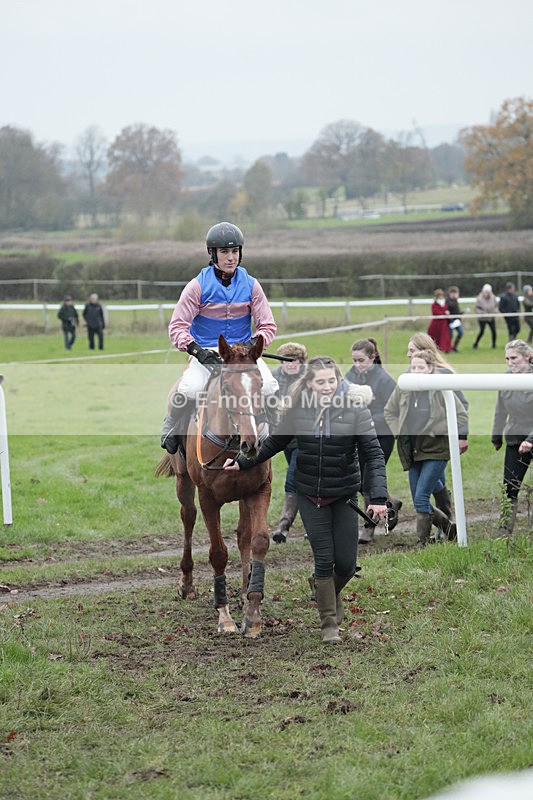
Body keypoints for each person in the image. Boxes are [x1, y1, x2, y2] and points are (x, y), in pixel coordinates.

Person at [223, 356, 388, 643]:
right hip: (310, 495)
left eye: (331, 381)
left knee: (346, 565)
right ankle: (329, 626)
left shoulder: (356, 411)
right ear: (309, 384)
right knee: (324, 560)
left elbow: (373, 455)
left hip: (344, 495)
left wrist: (378, 498)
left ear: (339, 381)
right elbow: (274, 443)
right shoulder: (298, 412)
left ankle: (322, 588)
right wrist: (242, 462)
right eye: (320, 382)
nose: (327, 387)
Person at [161, 222, 278, 454]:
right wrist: (198, 352)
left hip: (243, 355)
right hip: (207, 352)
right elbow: (177, 327)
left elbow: (267, 325)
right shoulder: (196, 286)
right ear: (212, 253)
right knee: (188, 388)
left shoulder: (252, 285)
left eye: (235, 251)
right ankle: (171, 426)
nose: (231, 257)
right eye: (224, 252)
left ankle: (275, 431)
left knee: (271, 387)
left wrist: (251, 345)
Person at [384, 349, 468, 546]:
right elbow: (389, 411)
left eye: (420, 367)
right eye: (413, 367)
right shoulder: (404, 386)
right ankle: (450, 529)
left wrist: (437, 429)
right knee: (419, 498)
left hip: (436, 450)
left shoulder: (441, 387)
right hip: (412, 451)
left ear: (430, 369)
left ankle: (422, 541)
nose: (416, 371)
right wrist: (399, 432)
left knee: (421, 498)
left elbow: (461, 416)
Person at [406, 332, 469, 539]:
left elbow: (461, 407)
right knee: (436, 484)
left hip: (438, 443)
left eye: (412, 350)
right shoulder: (412, 375)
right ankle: (446, 525)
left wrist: (462, 435)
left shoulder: (444, 375)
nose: (408, 354)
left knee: (431, 485)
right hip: (419, 445)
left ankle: (445, 526)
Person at [344, 337, 402, 542]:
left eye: (361, 360)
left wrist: (365, 417)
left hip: (381, 437)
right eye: (354, 360)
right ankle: (391, 502)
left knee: (369, 482)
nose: (357, 365)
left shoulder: (385, 380)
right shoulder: (350, 376)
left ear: (372, 357)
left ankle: (369, 526)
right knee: (358, 480)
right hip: (357, 437)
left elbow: (392, 411)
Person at [491, 339, 533, 536]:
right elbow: (500, 411)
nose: (510, 362)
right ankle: (504, 533)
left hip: (530, 436)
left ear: (527, 357)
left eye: (514, 358)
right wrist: (496, 436)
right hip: (516, 438)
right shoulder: (505, 378)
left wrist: (531, 440)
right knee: (510, 487)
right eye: (507, 358)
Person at [270, 342, 308, 544]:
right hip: (285, 439)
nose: (291, 364)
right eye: (286, 361)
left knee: (293, 478)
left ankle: (283, 527)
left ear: (301, 362)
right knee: (303, 480)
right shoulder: (272, 379)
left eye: (295, 360)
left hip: (306, 438)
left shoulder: (309, 378)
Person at [473, 283, 499, 349]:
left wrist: (494, 312)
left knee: (493, 331)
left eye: (488, 292)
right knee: (481, 331)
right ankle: (475, 344)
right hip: (482, 318)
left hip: (491, 318)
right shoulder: (479, 298)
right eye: (486, 292)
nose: (487, 293)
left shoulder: (493, 297)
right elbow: (476, 308)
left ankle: (494, 345)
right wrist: (481, 313)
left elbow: (496, 306)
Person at [427, 289, 453, 353]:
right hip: (437, 323)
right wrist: (445, 313)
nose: (441, 296)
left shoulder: (444, 303)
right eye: (439, 295)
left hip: (444, 323)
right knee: (435, 336)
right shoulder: (434, 304)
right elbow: (435, 312)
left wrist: (447, 314)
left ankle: (446, 349)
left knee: (445, 336)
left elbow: (446, 310)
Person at [446, 286, 464, 352]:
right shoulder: (447, 300)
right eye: (452, 293)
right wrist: (455, 299)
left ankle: (454, 347)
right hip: (450, 321)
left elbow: (456, 310)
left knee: (461, 333)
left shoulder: (456, 300)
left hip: (456, 321)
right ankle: (448, 348)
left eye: (455, 293)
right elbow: (450, 306)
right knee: (450, 336)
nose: (454, 294)